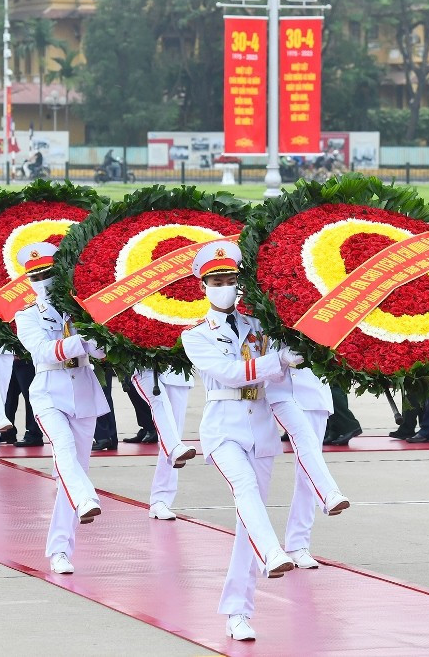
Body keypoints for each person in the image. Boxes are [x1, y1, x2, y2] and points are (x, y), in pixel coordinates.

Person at [180, 241, 307, 642]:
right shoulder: (195, 335)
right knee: (246, 490)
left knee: (248, 520)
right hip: (223, 429)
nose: (224, 288)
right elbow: (230, 373)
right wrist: (276, 361)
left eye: (230, 281)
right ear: (202, 286)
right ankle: (272, 553)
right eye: (216, 282)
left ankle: (238, 612)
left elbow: (278, 378)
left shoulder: (259, 325)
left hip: (261, 428)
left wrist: (292, 353)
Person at [14, 242, 106, 573]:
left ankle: (60, 549)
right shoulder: (26, 315)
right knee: (64, 451)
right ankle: (85, 499)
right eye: (36, 277)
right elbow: (42, 350)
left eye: (48, 274)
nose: (43, 281)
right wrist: (81, 340)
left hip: (83, 390)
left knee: (74, 468)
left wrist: (101, 334)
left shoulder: (80, 308)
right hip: (49, 391)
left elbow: (100, 353)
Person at [268, 366, 350, 569]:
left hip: (314, 391)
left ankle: (298, 544)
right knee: (306, 449)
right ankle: (328, 493)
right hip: (277, 389)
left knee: (308, 466)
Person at [130, 368, 197, 520]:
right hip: (145, 367)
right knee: (170, 434)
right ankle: (159, 500)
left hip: (177, 372)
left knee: (173, 435)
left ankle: (161, 500)